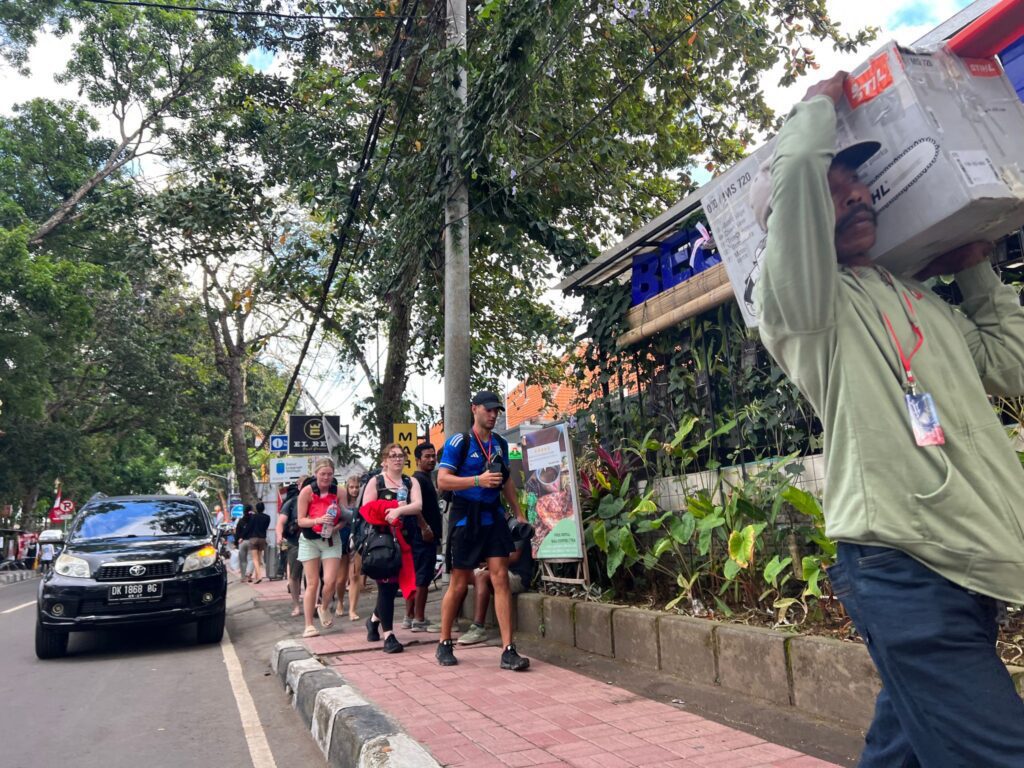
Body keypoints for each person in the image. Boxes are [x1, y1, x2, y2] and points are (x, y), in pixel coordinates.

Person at [753, 71, 1024, 766]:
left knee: (902, 746)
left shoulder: (919, 301)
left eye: (861, 184)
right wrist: (815, 113)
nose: (857, 195)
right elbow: (792, 203)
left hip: (971, 562)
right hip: (902, 565)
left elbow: (1009, 364)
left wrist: (975, 271)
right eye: (835, 189)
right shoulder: (806, 311)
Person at [435, 391, 530, 671]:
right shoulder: (459, 442)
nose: (493, 415)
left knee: (500, 577)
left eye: (496, 411)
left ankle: (508, 649)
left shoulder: (500, 443)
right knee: (460, 582)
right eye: (488, 410)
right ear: (473, 409)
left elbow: (507, 481)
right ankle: (444, 642)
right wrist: (478, 479)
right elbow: (443, 480)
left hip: (494, 517)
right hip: (466, 519)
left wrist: (519, 511)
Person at [361, 443, 423, 653]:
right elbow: (367, 509)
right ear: (385, 460)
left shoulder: (410, 481)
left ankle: (373, 620)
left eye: (400, 455)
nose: (397, 459)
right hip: (383, 541)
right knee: (386, 587)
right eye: (393, 455)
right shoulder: (376, 482)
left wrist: (397, 511)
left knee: (397, 585)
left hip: (406, 539)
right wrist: (389, 513)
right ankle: (389, 635)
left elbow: (417, 506)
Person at [459, 520, 534, 646]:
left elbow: (514, 557)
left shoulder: (515, 526)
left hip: (517, 576)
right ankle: (453, 622)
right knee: (463, 576)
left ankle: (478, 627)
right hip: (499, 573)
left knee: (482, 576)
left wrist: (490, 564)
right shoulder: (491, 526)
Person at [296, 458, 344, 638]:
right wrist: (318, 520)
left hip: (331, 540)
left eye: (329, 474)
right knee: (312, 582)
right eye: (322, 474)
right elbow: (300, 520)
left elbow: (345, 516)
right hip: (310, 540)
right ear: (316, 474)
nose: (326, 477)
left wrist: (336, 528)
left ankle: (324, 607)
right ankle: (308, 624)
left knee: (331, 580)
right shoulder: (307, 492)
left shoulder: (339, 491)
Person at [401, 443, 442, 632]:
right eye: (427, 456)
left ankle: (409, 616)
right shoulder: (417, 480)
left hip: (423, 535)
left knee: (417, 575)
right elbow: (415, 507)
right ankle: (419, 618)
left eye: (433, 456)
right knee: (423, 576)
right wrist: (424, 527)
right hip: (422, 536)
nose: (432, 459)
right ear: (418, 460)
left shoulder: (424, 479)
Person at [276, 479, 304, 616]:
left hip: (315, 542)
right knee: (294, 575)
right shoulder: (291, 503)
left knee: (314, 576)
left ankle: (317, 604)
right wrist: (279, 535)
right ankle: (296, 605)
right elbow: (280, 522)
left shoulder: (316, 500)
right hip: (295, 543)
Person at [343, 475, 365, 621]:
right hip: (342, 538)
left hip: (358, 540)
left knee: (354, 576)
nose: (354, 490)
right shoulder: (342, 502)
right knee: (339, 579)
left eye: (357, 487)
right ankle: (339, 602)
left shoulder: (365, 500)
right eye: (351, 487)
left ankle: (352, 609)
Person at [248, 501, 271, 584]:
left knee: (255, 559)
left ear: (256, 509)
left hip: (253, 538)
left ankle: (259, 576)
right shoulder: (267, 517)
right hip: (262, 538)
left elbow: (249, 527)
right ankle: (257, 576)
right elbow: (266, 527)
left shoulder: (253, 517)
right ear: (263, 508)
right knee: (259, 557)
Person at [235, 505, 254, 583]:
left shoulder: (240, 521)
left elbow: (237, 532)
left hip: (241, 542)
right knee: (251, 559)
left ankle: (243, 577)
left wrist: (238, 540)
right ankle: (249, 574)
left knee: (242, 560)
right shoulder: (253, 520)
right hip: (251, 541)